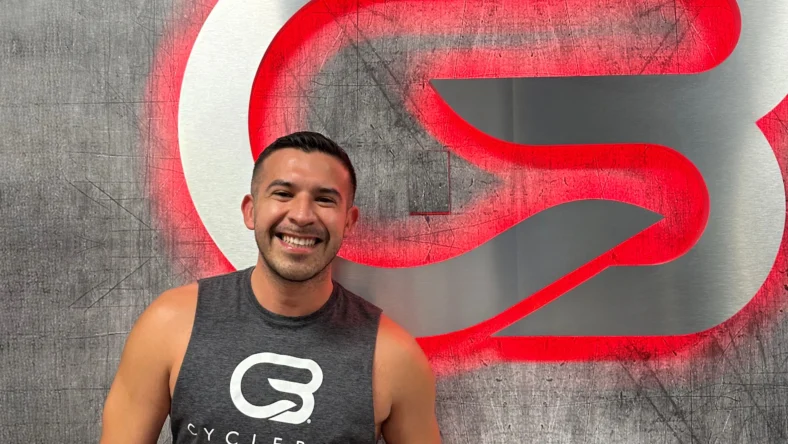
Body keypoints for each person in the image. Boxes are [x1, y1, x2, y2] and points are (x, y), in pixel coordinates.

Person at [100, 132, 442, 443]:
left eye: (324, 199)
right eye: (283, 194)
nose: (302, 215)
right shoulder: (171, 321)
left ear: (348, 222)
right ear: (251, 211)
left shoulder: (393, 356)